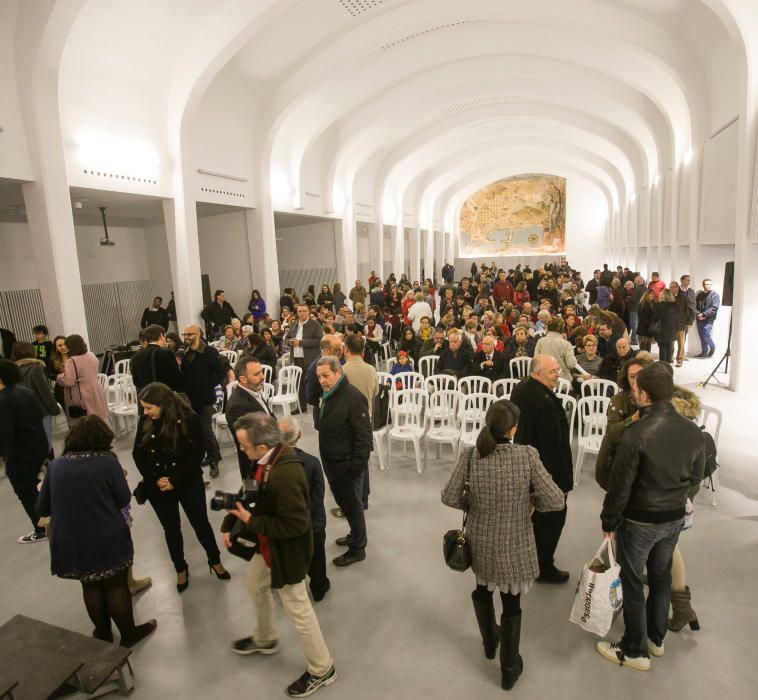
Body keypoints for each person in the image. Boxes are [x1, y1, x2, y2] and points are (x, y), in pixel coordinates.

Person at [442, 400, 564, 690]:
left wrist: (472, 505)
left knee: (482, 589)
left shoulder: (472, 454)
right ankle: (508, 669)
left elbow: (449, 496)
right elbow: (556, 499)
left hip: (481, 541)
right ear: (513, 429)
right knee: (512, 603)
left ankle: (488, 644)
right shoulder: (527, 456)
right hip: (515, 543)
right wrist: (530, 503)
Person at [596, 363, 705, 671]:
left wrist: (609, 522)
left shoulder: (636, 434)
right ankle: (656, 640)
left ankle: (634, 650)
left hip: (639, 520)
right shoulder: (692, 430)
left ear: (642, 394)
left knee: (631, 581)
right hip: (672, 520)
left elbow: (620, 487)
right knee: (660, 577)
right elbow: (696, 478)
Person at [223, 413, 337, 697]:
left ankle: (323, 669)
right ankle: (265, 638)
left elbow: (296, 524)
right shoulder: (263, 460)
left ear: (262, 446)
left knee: (298, 609)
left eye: (243, 446)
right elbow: (251, 487)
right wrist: (231, 519)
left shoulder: (286, 472)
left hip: (287, 552)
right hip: (268, 545)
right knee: (255, 584)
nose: (241, 450)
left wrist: (249, 521)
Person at [37, 415, 157, 645]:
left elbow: (42, 507)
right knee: (115, 585)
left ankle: (102, 634)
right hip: (106, 536)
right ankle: (129, 634)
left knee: (90, 586)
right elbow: (123, 498)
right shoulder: (107, 463)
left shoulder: (55, 466)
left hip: (70, 540)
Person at [133, 383, 229, 591]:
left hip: (187, 480)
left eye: (149, 407)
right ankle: (180, 569)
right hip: (158, 484)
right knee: (171, 529)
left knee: (200, 523)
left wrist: (174, 480)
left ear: (163, 404)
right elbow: (138, 453)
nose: (145, 412)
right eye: (143, 408)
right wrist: (155, 478)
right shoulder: (145, 421)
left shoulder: (189, 419)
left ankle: (215, 560)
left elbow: (197, 454)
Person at [510, 355, 573, 582]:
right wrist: (561, 483)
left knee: (533, 516)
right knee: (553, 518)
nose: (558, 374)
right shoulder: (544, 402)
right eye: (553, 372)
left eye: (557, 370)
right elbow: (553, 446)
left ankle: (528, 556)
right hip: (547, 472)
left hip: (527, 464)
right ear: (537, 374)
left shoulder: (521, 388)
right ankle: (543, 566)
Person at [315, 356, 372, 567]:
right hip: (333, 464)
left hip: (347, 466)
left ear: (338, 373)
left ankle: (358, 548)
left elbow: (364, 437)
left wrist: (355, 468)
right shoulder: (330, 394)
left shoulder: (352, 397)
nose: (322, 380)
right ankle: (354, 535)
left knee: (353, 506)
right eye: (319, 376)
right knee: (344, 504)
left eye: (326, 375)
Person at [279, 416, 330, 602]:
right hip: (311, 524)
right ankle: (319, 587)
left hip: (284, 525)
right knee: (317, 558)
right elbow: (318, 497)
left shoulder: (267, 463)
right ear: (299, 434)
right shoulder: (312, 462)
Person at [0, 359, 50, 543]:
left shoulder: (3, 400)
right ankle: (49, 523)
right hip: (37, 448)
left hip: (19, 455)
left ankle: (41, 529)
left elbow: (5, 433)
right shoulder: (26, 392)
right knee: (40, 491)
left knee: (27, 493)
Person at [594, 354, 654, 490]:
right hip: (617, 463)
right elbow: (612, 433)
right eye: (632, 377)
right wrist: (633, 419)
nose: (637, 380)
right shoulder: (618, 401)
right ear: (626, 379)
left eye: (641, 375)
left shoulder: (654, 397)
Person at [179, 324, 226, 477]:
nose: (186, 337)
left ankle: (214, 461)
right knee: (199, 431)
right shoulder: (186, 353)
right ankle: (214, 455)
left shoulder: (210, 352)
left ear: (198, 334)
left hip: (206, 399)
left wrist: (208, 385)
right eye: (184, 335)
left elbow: (220, 373)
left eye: (189, 334)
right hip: (192, 399)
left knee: (206, 431)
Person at [226, 356, 273, 480]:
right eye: (257, 374)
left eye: (261, 372)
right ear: (243, 379)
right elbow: (258, 442)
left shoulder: (252, 391)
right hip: (258, 470)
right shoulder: (237, 406)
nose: (262, 377)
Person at [11, 341, 59, 452]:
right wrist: (54, 409)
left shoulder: (11, 370)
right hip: (40, 411)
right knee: (46, 445)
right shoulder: (36, 368)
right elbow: (44, 392)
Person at [56, 334, 110, 424]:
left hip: (81, 394)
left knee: (84, 422)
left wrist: (59, 378)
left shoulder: (71, 361)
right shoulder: (92, 355)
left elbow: (69, 381)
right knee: (98, 419)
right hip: (96, 390)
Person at [288, 303, 325, 412]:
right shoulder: (294, 324)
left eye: (304, 311)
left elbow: (319, 341)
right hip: (297, 357)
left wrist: (301, 343)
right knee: (299, 383)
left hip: (311, 358)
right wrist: (289, 342)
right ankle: (301, 406)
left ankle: (320, 404)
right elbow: (288, 337)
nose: (302, 313)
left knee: (315, 381)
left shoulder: (315, 324)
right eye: (299, 311)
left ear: (309, 312)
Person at [130, 324, 184, 395]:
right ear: (161, 336)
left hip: (146, 398)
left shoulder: (135, 356)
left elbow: (136, 382)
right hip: (164, 397)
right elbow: (175, 379)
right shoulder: (165, 353)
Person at [534, 317, 577, 381]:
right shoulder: (566, 344)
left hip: (544, 380)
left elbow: (536, 361)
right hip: (562, 381)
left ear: (548, 327)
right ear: (562, 328)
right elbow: (571, 364)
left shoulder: (540, 341)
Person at [695, 278, 720, 358]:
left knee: (706, 335)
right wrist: (698, 314)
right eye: (707, 284)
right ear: (703, 285)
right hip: (699, 319)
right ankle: (704, 352)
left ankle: (712, 347)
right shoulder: (699, 295)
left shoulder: (715, 295)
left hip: (709, 319)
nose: (709, 286)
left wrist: (704, 315)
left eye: (710, 284)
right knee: (701, 336)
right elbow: (694, 306)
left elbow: (714, 308)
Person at [654, 288, 678, 364]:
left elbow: (655, 317)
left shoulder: (658, 305)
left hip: (661, 328)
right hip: (672, 328)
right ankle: (669, 362)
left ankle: (662, 363)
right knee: (670, 346)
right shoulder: (675, 305)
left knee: (662, 347)